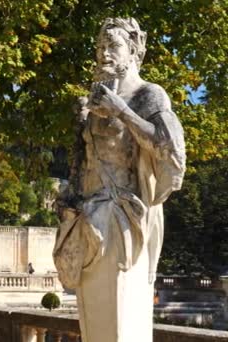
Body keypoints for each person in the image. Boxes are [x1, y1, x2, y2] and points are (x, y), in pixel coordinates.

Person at [53, 18, 185, 342]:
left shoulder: (148, 95)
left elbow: (171, 149)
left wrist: (121, 110)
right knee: (95, 322)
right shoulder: (94, 99)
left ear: (134, 51)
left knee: (119, 321)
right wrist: (69, 195)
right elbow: (81, 163)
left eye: (113, 46)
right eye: (100, 47)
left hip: (121, 219)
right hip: (87, 217)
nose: (104, 54)